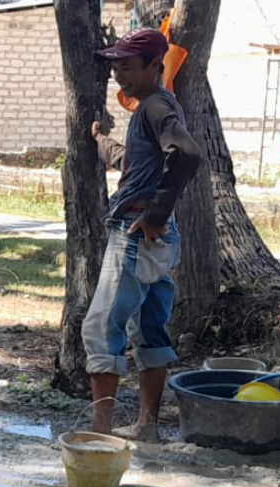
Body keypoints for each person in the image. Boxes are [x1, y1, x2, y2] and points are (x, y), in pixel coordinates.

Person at [82, 28, 201, 441]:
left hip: (137, 232)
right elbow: (134, 164)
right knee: (148, 328)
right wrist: (100, 140)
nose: (119, 76)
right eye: (115, 67)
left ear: (156, 66)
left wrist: (154, 215)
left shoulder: (155, 106)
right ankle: (146, 426)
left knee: (100, 329)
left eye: (127, 67)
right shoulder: (153, 108)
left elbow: (187, 154)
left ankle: (98, 434)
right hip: (158, 238)